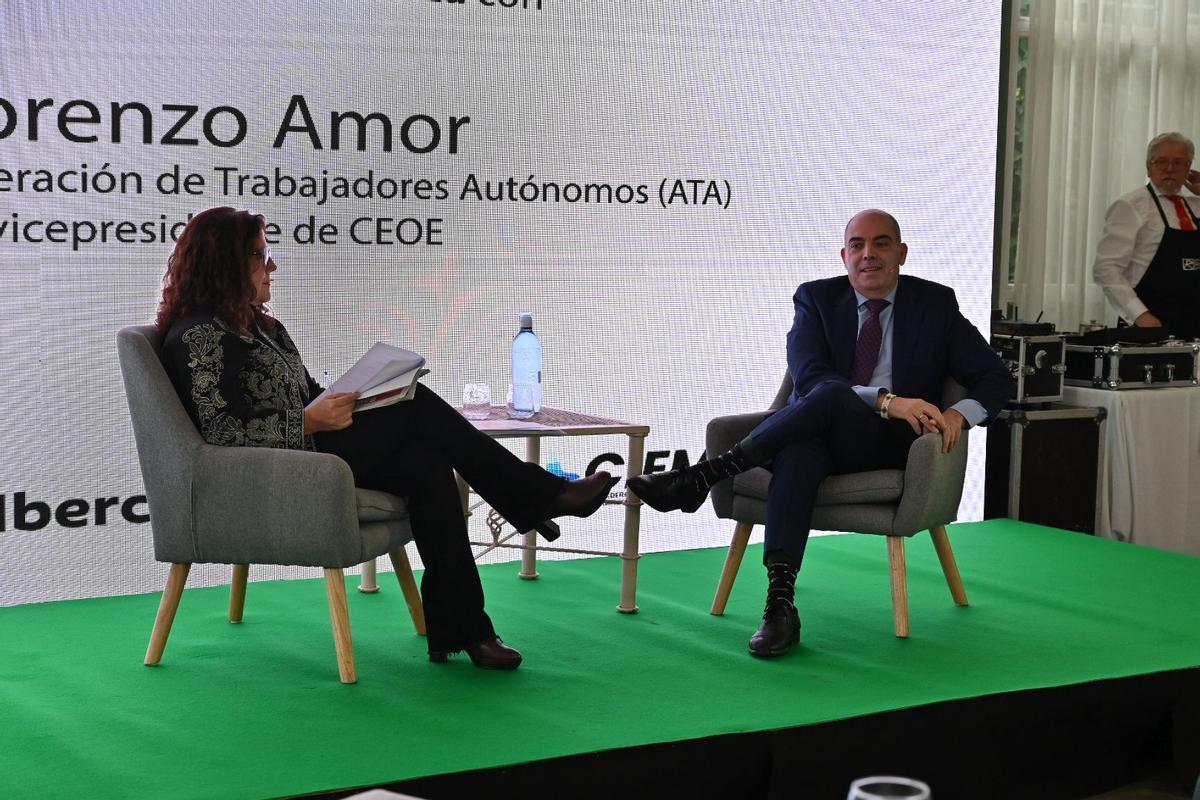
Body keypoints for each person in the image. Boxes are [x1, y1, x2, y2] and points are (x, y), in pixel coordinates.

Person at [156, 207, 617, 671]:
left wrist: (353, 398)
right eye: (261, 255)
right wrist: (310, 422)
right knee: (417, 406)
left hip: (319, 454)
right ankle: (542, 495)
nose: (272, 266)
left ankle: (467, 630)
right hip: (285, 468)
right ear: (224, 263)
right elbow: (218, 430)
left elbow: (309, 395)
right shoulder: (196, 337)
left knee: (427, 463)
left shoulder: (262, 326)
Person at [628, 209, 1012, 658]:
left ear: (901, 253)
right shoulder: (815, 299)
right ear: (844, 255)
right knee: (802, 446)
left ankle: (705, 475)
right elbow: (808, 378)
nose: (868, 254)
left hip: (890, 444)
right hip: (818, 430)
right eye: (857, 245)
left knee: (828, 398)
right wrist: (888, 398)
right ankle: (779, 607)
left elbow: (997, 380)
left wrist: (958, 415)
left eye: (882, 243)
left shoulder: (935, 305)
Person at [1093, 132, 1200, 340]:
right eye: (1161, 162)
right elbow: (1106, 269)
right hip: (1150, 328)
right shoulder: (1131, 206)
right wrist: (1140, 316)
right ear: (1148, 167)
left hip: (1194, 327)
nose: (1170, 169)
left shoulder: (1196, 205)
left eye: (1178, 163)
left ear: (1188, 169)